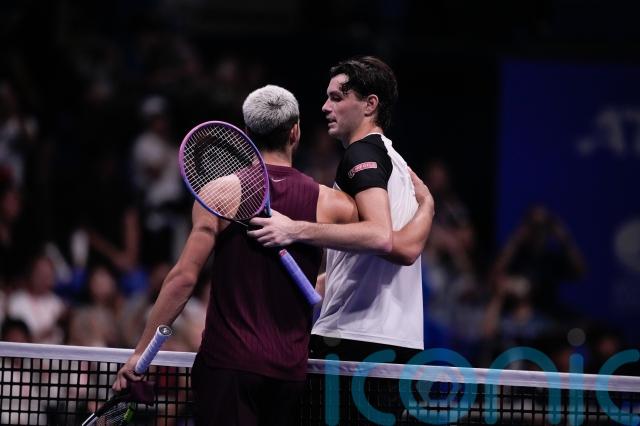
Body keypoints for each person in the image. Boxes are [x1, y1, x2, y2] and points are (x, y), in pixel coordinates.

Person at [113, 85, 358, 426]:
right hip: (289, 371)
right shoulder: (332, 204)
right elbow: (370, 255)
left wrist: (140, 352)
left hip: (228, 366)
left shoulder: (218, 194)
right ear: (295, 131)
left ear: (246, 133)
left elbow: (184, 278)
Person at [249, 56, 434, 364]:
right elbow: (399, 248)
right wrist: (428, 206)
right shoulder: (396, 162)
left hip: (351, 339)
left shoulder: (361, 154)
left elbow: (379, 236)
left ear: (370, 104)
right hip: (400, 341)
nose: (325, 107)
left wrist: (293, 229)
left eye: (336, 98)